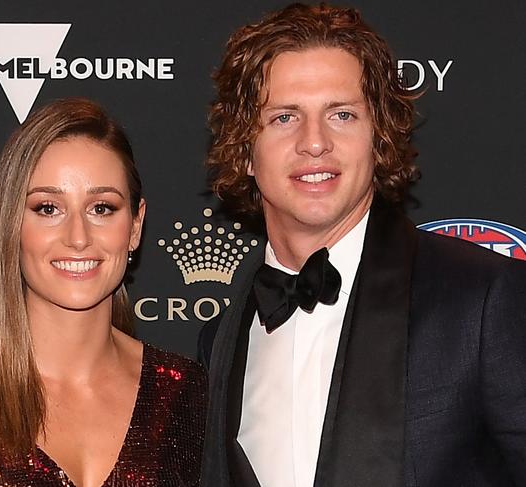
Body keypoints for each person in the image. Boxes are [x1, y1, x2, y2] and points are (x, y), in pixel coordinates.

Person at [198, 4, 526, 486]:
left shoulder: (482, 299)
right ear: (245, 150)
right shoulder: (222, 337)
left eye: (342, 114)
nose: (315, 142)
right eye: (285, 117)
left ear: (379, 138)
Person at [0, 98, 207, 486]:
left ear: (135, 226)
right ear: (10, 225)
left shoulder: (184, 392)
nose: (78, 237)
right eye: (48, 208)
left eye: (102, 208)